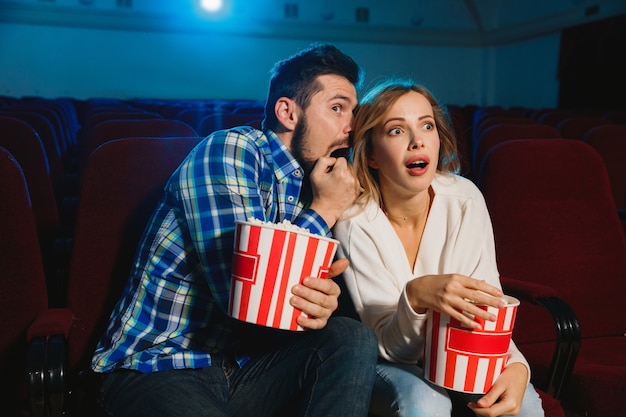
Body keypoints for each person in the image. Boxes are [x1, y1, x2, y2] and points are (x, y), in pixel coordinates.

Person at [91, 43, 379, 417]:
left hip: (246, 369)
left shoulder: (318, 183)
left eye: (354, 112)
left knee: (350, 337)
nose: (351, 126)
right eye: (338, 108)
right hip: (161, 365)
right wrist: (325, 211)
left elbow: (297, 309)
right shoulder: (229, 150)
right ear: (287, 112)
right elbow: (248, 296)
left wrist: (320, 305)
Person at [333, 79, 545, 417]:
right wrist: (416, 297)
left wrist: (518, 365)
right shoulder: (354, 219)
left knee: (525, 407)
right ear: (371, 154)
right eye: (397, 131)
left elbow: (486, 307)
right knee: (424, 403)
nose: (418, 141)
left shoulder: (465, 199)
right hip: (387, 361)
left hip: (459, 349)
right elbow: (391, 349)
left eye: (427, 125)